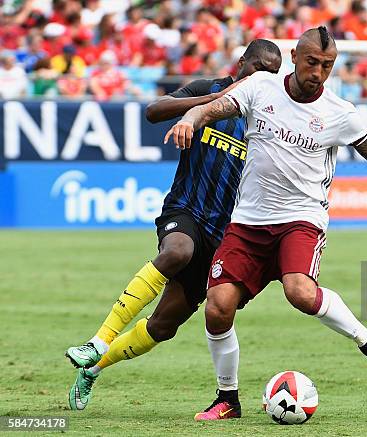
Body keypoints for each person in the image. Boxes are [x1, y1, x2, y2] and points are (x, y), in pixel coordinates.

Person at [163, 26, 367, 421]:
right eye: (312, 63)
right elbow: (211, 109)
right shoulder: (260, 87)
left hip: (301, 219)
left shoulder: (340, 113)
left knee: (301, 293)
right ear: (294, 56)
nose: (318, 73)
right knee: (218, 307)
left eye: (327, 66)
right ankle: (228, 399)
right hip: (249, 222)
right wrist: (191, 118)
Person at [65, 39, 283, 411]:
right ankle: (99, 341)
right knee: (178, 251)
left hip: (225, 234)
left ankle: (95, 366)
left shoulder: (269, 116)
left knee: (163, 327)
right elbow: (154, 110)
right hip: (185, 210)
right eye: (258, 69)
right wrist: (205, 106)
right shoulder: (207, 89)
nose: (263, 79)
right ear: (241, 62)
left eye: (272, 75)